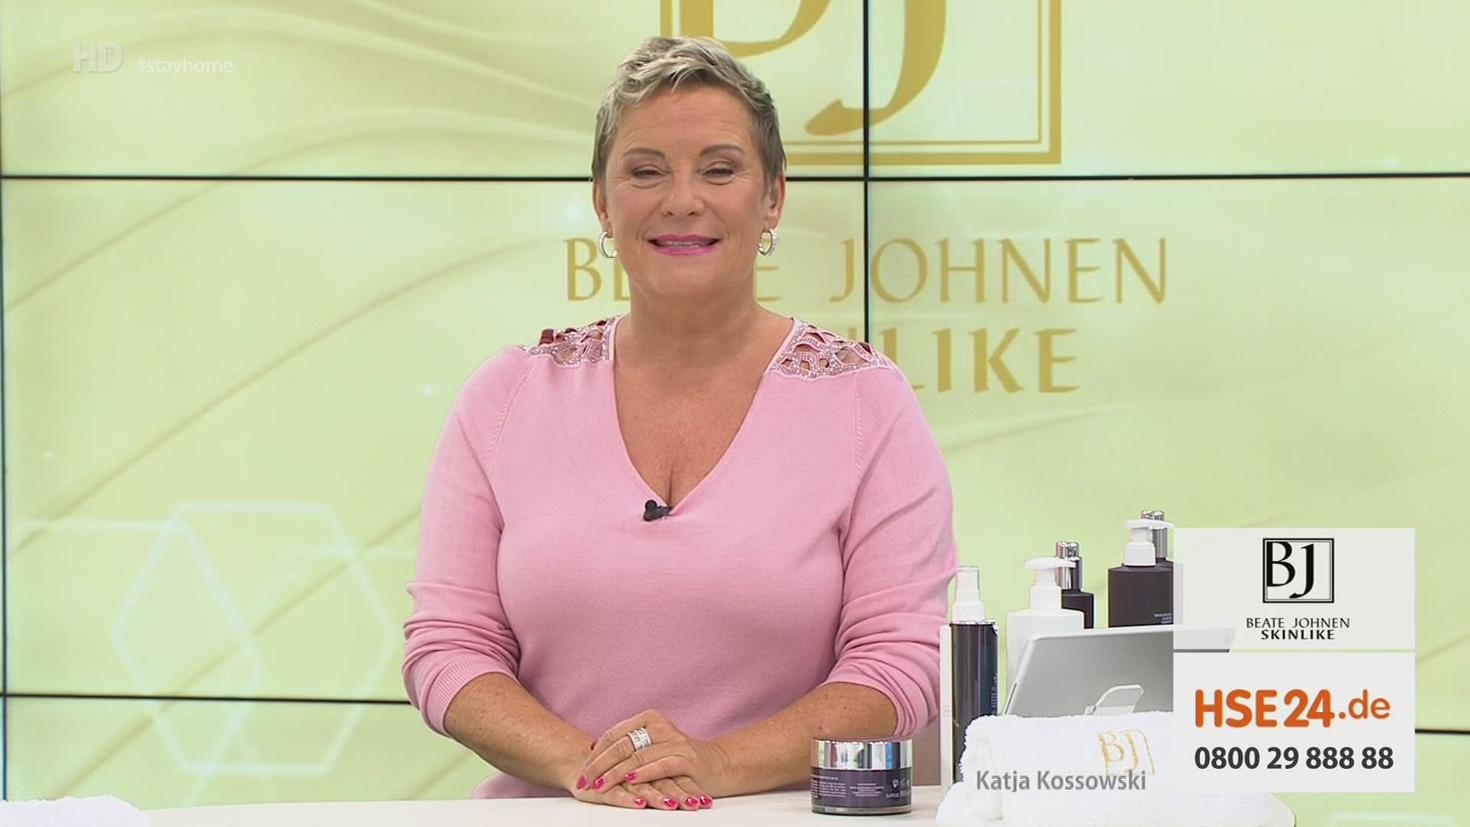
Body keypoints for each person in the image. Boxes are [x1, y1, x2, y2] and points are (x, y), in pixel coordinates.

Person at [402, 36, 957, 811]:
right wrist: (593, 770)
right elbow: (448, 647)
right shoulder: (506, 397)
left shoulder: (867, 401)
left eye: (720, 170)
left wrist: (717, 763)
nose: (682, 200)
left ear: (773, 198)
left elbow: (901, 662)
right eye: (646, 171)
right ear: (603, 202)